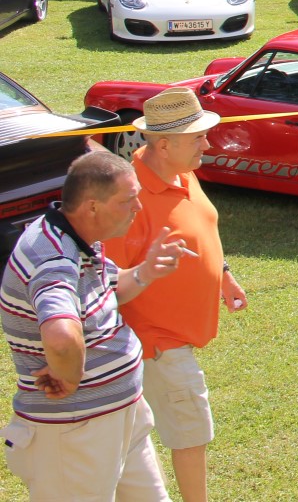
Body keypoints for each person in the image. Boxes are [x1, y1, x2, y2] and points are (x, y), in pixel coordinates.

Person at [2, 150, 192, 502]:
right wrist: (70, 375)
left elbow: (109, 290)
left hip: (119, 416)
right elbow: (59, 336)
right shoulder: (54, 259)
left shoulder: (81, 240)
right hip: (76, 431)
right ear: (92, 206)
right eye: (128, 200)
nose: (137, 208)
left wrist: (145, 272)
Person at [103, 90, 247, 502]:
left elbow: (202, 227)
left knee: (146, 437)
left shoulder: (184, 174)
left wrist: (222, 275)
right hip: (157, 344)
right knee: (190, 432)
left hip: (176, 337)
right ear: (163, 145)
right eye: (197, 138)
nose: (207, 143)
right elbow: (107, 280)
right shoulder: (128, 200)